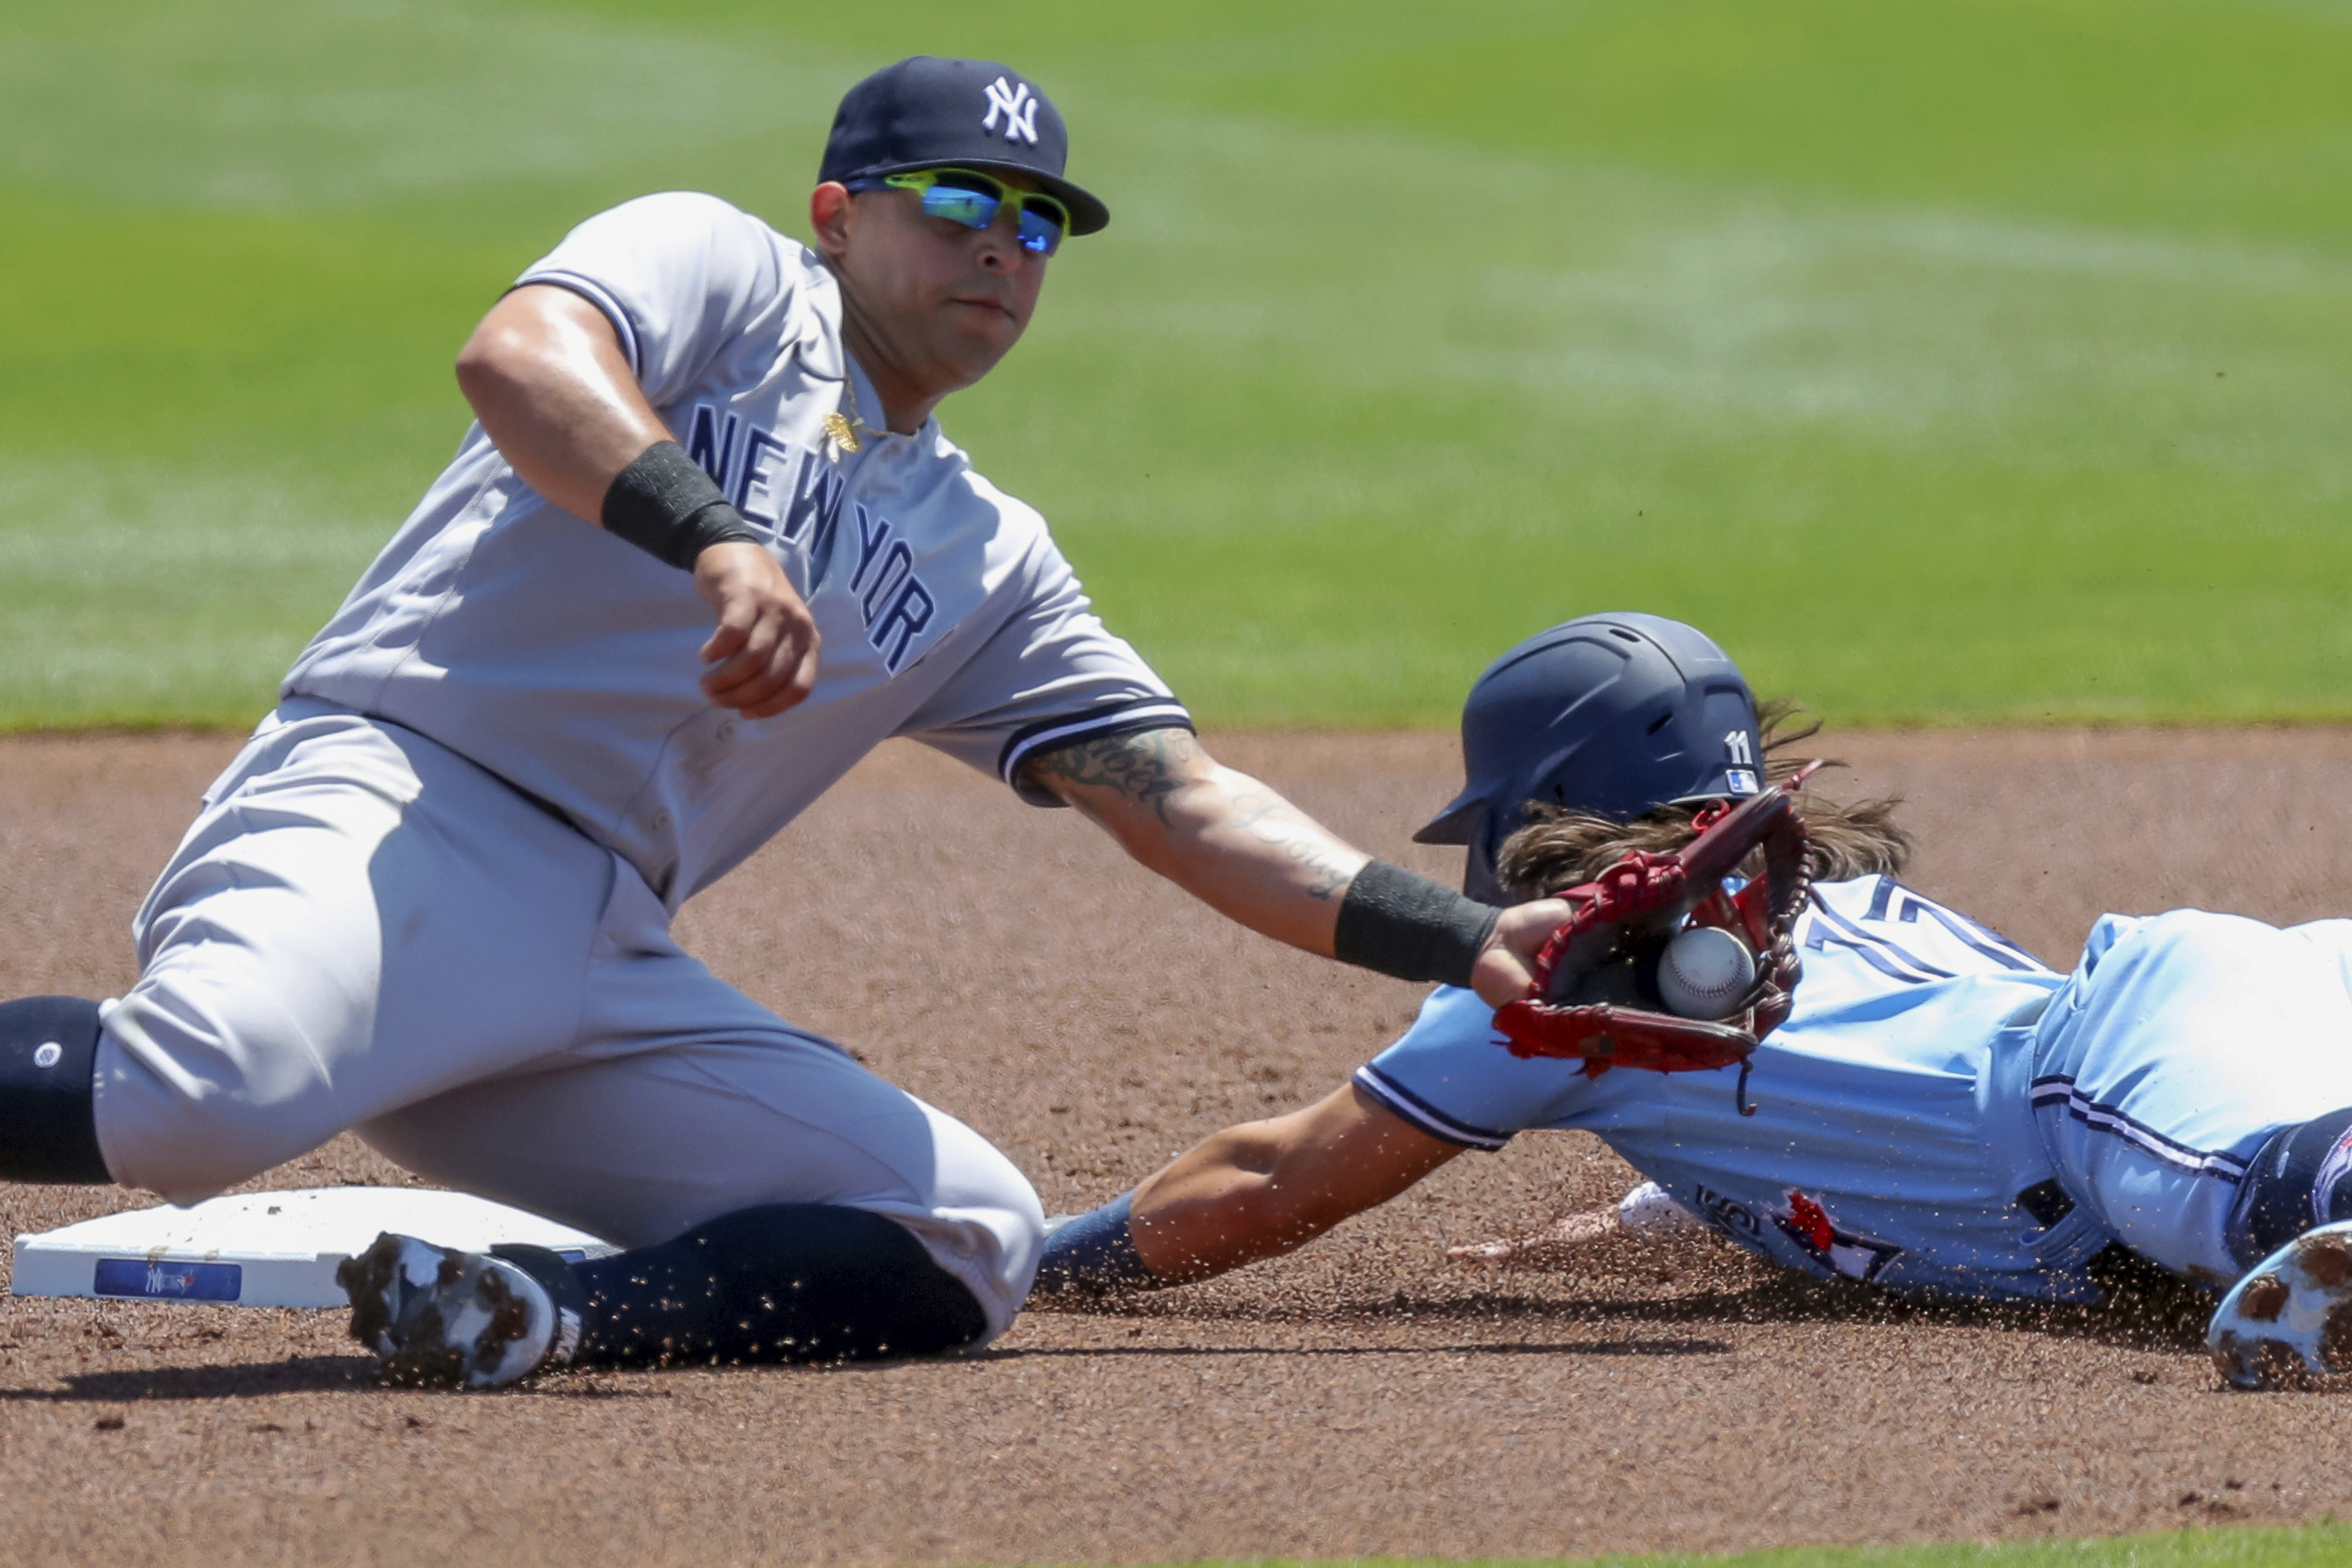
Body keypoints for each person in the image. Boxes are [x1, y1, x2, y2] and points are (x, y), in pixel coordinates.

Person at [0, 57, 1567, 1390]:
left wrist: (1469, 937)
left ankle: (535, 1321)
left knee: (965, 1229)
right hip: (401, 800)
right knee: (194, 1104)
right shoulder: (719, 273)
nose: (1005, 250)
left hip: (595, 954)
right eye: (962, 203)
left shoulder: (989, 556)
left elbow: (1179, 800)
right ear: (839, 213)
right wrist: (717, 535)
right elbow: (522, 355)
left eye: (1038, 225)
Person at [1035, 612, 2352, 1392]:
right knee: (2245, 1165)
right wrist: (1631, 1226)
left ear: (1538, 806)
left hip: (2100, 1087)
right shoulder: (1800, 912)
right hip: (2256, 996)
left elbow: (1272, 1187)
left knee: (2247, 1188)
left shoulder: (1565, 991)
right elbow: (1814, 1109)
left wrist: (1025, 1261)